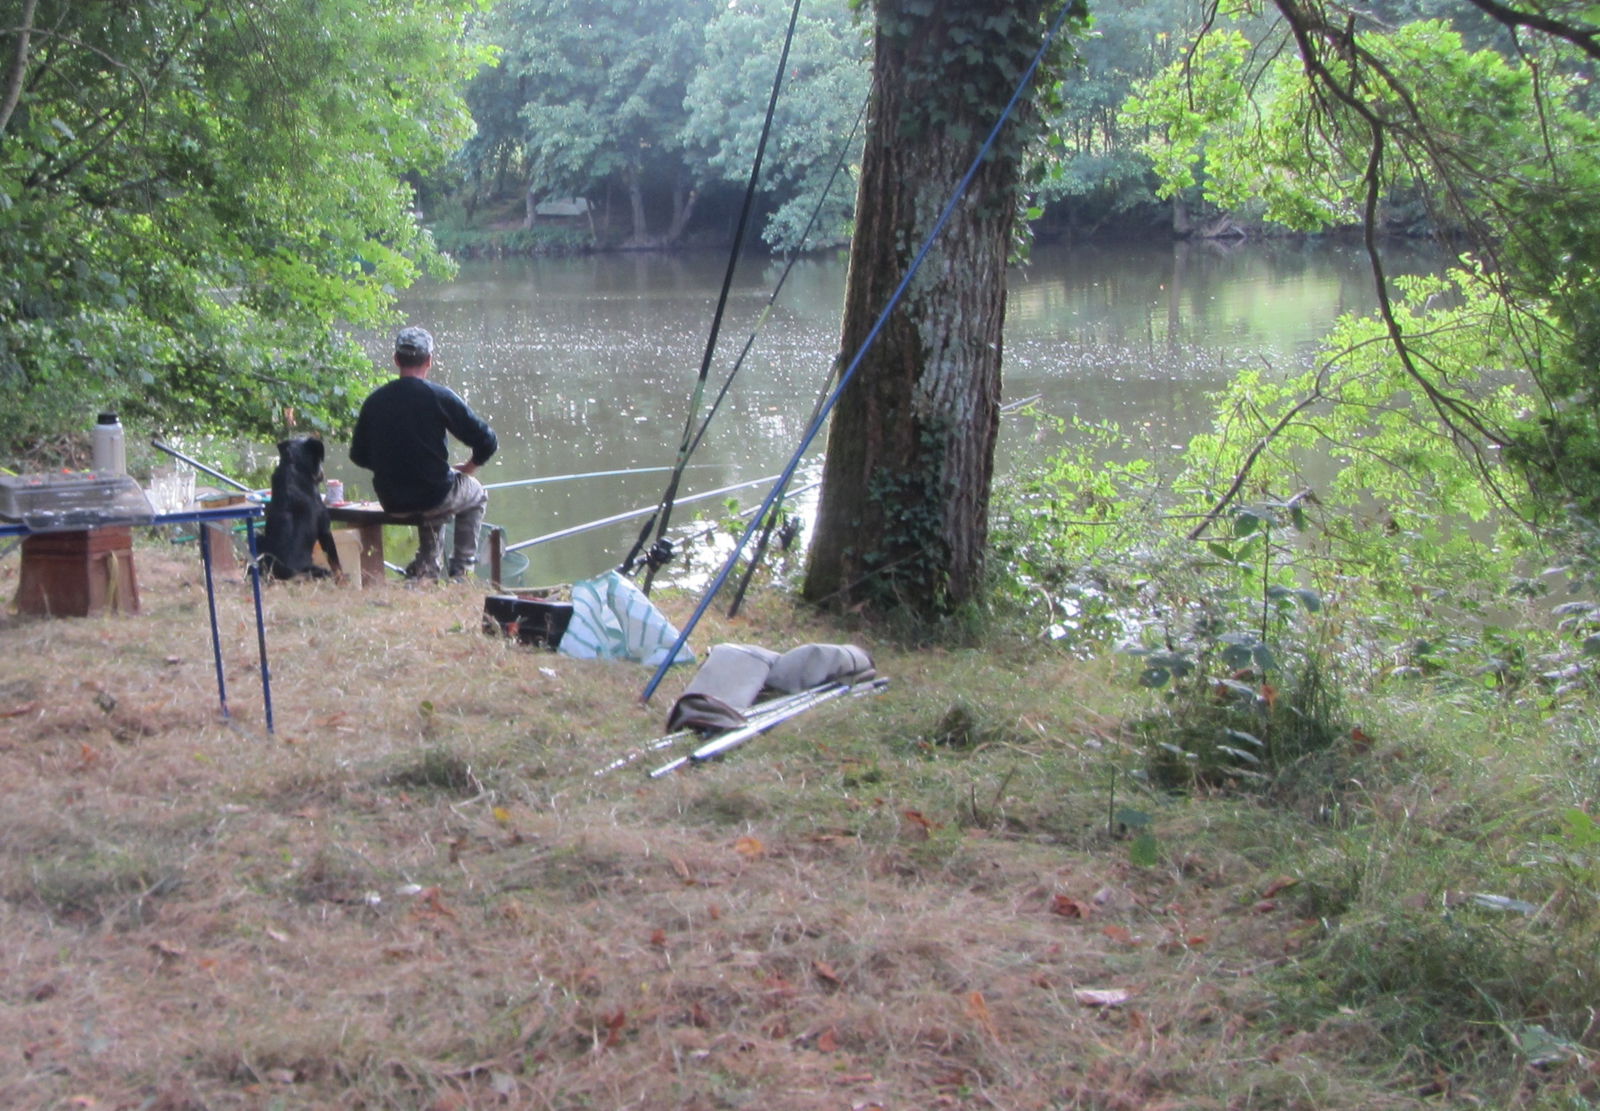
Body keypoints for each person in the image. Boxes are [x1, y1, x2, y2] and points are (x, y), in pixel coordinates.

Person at [349, 326, 498, 580]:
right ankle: (462, 571)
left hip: (392, 499)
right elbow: (487, 441)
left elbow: (358, 455)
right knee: (475, 493)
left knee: (439, 484)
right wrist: (470, 467)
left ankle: (428, 565)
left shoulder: (375, 401)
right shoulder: (438, 396)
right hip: (433, 496)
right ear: (429, 360)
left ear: (396, 360)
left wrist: (393, 466)